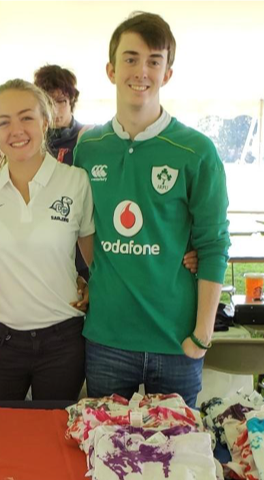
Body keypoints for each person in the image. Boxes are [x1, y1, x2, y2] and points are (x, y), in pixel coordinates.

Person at [73, 12, 230, 407]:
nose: (141, 71)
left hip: (176, 341)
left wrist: (202, 335)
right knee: (105, 455)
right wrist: (98, 280)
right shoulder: (88, 148)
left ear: (167, 73)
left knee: (178, 460)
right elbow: (83, 228)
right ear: (110, 70)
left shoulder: (196, 151)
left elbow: (213, 244)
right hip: (108, 338)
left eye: (154, 61)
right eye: (130, 58)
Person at [0, 79, 93, 402]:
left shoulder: (76, 180)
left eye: (26, 117)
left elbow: (96, 258)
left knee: (54, 438)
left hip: (63, 340)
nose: (16, 130)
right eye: (3, 122)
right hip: (2, 340)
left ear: (45, 120)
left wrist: (94, 284)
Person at [33, 64, 89, 164]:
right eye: (48, 103)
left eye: (61, 101)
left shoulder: (87, 135)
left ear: (71, 101)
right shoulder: (33, 139)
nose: (54, 110)